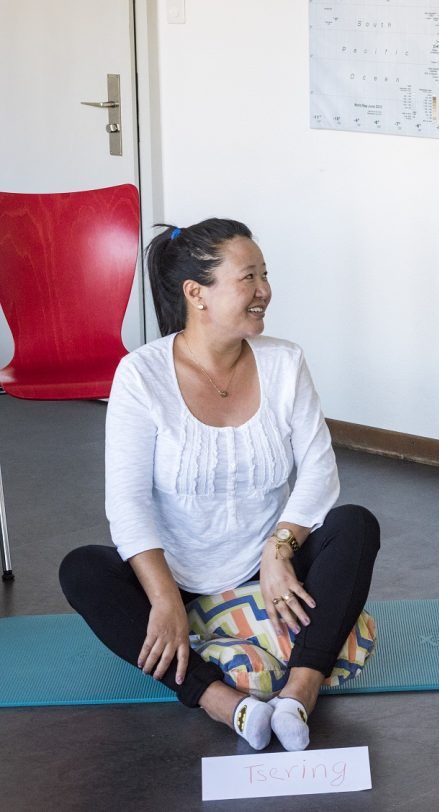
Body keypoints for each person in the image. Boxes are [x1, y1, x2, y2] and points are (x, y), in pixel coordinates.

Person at [59, 219, 381, 751]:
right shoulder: (141, 375)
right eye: (248, 277)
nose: (264, 291)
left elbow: (321, 469)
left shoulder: (285, 362)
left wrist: (279, 549)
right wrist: (162, 597)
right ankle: (222, 704)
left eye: (265, 275)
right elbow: (127, 500)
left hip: (268, 570)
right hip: (179, 577)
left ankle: (300, 694)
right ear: (196, 294)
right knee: (82, 570)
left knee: (355, 525)